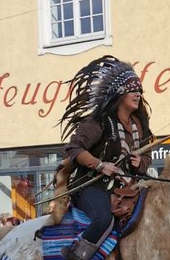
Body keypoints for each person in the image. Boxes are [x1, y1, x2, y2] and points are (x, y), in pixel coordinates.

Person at [60, 56, 154, 260]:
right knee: (104, 219)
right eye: (133, 90)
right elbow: (73, 148)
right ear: (119, 94)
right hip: (93, 186)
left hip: (130, 186)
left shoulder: (141, 124)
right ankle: (76, 256)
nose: (138, 94)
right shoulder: (99, 123)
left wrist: (141, 162)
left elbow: (147, 154)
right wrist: (100, 165)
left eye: (140, 91)